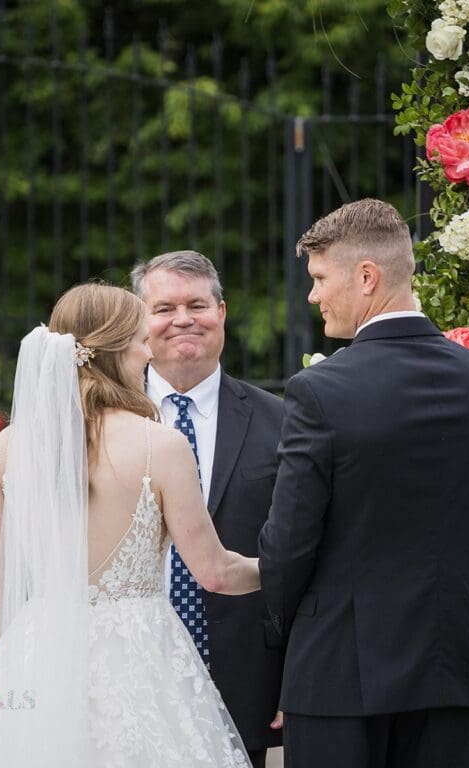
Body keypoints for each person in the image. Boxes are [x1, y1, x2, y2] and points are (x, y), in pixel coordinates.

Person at [0, 284, 258, 768]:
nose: (150, 351)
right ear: (115, 349)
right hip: (141, 665)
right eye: (141, 340)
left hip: (38, 654)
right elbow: (216, 573)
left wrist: (23, 662)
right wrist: (285, 564)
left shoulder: (10, 447)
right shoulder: (160, 446)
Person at [259, 199, 469, 768]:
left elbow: (288, 544)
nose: (313, 296)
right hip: (452, 666)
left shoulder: (318, 391)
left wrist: (281, 636)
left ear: (367, 277)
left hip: (339, 672)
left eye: (320, 278)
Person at [131, 251, 284, 768]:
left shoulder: (282, 421)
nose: (182, 319)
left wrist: (296, 673)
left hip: (246, 673)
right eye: (164, 307)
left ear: (222, 311)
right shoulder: (103, 422)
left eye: (197, 304)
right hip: (127, 672)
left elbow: (305, 550)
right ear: (140, 322)